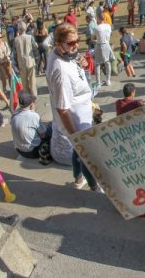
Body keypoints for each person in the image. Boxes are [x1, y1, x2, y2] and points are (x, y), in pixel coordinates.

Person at [46, 22, 103, 193]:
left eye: (77, 40)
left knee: (78, 153)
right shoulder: (60, 72)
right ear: (58, 44)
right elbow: (62, 109)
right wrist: (75, 136)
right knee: (87, 156)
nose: (76, 45)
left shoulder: (61, 54)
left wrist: (82, 65)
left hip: (83, 113)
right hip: (76, 121)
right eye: (71, 43)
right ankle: (94, 187)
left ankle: (78, 178)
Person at [11, 91, 52, 163]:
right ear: (31, 104)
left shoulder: (14, 115)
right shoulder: (34, 116)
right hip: (33, 152)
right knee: (50, 128)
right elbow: (43, 134)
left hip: (19, 151)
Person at [13, 22, 38, 97]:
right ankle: (34, 94)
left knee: (24, 80)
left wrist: (16, 64)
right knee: (32, 79)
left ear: (18, 30)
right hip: (30, 60)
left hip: (21, 62)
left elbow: (14, 53)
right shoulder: (30, 37)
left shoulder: (15, 40)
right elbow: (35, 48)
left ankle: (27, 95)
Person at [92, 14, 114, 86]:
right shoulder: (108, 26)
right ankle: (108, 80)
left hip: (99, 45)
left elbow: (93, 38)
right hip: (107, 44)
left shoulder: (96, 28)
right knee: (107, 62)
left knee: (97, 63)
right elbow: (110, 35)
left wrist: (95, 40)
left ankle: (98, 82)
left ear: (98, 19)